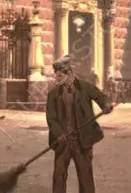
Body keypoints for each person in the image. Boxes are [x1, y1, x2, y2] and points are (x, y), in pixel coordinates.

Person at [46, 55, 112, 193]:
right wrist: (58, 134)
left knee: (85, 177)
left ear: (68, 73)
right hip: (62, 143)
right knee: (59, 177)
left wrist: (106, 105)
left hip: (83, 141)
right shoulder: (53, 94)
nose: (56, 79)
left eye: (59, 76)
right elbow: (51, 118)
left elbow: (101, 97)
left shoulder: (85, 87)